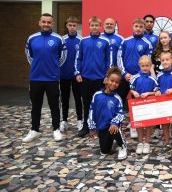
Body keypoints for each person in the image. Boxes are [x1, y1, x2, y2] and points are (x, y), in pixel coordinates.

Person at [23, 13, 67, 142]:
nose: (46, 24)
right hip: (35, 78)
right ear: (39, 23)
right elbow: (29, 56)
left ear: (52, 24)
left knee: (54, 105)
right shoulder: (32, 38)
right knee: (35, 105)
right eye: (44, 22)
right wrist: (38, 66)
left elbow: (62, 57)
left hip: (52, 78)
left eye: (49, 22)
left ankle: (56, 129)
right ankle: (34, 130)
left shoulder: (58, 39)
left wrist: (53, 67)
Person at [75, 16, 112, 137]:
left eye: (97, 25)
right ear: (89, 26)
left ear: (100, 26)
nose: (94, 27)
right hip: (85, 78)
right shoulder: (83, 41)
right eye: (92, 25)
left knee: (99, 103)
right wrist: (78, 73)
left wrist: (107, 76)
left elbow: (108, 60)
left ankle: (99, 126)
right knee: (86, 102)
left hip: (100, 78)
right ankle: (86, 126)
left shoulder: (105, 42)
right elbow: (78, 58)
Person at [117, 18, 153, 138]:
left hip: (138, 78)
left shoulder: (147, 43)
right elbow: (119, 58)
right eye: (136, 26)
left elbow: (147, 62)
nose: (138, 29)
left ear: (144, 28)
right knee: (119, 100)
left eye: (140, 27)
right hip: (124, 77)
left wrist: (137, 76)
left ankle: (134, 126)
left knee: (136, 102)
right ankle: (117, 125)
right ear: (133, 27)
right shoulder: (125, 41)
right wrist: (124, 73)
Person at [88, 67, 127, 160]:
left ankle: (122, 146)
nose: (114, 84)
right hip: (102, 128)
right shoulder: (97, 95)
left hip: (112, 126)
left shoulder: (117, 98)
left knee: (114, 128)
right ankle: (110, 142)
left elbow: (120, 113)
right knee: (104, 151)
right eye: (112, 81)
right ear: (106, 80)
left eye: (117, 82)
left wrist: (114, 122)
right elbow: (91, 111)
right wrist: (92, 127)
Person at [129, 56, 160, 154]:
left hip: (149, 104)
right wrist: (134, 93)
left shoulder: (153, 79)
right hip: (138, 104)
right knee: (139, 123)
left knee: (149, 123)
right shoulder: (135, 77)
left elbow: (157, 91)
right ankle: (140, 142)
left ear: (151, 66)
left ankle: (147, 142)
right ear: (139, 66)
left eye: (147, 66)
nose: (145, 68)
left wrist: (148, 93)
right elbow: (131, 88)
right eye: (143, 66)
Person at [60, 16, 83, 133]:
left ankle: (80, 120)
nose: (72, 27)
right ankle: (64, 121)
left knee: (78, 99)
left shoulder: (81, 40)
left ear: (77, 26)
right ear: (67, 26)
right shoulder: (61, 40)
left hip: (76, 76)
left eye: (74, 25)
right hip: (63, 74)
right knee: (64, 99)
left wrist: (79, 72)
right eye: (70, 25)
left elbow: (82, 58)